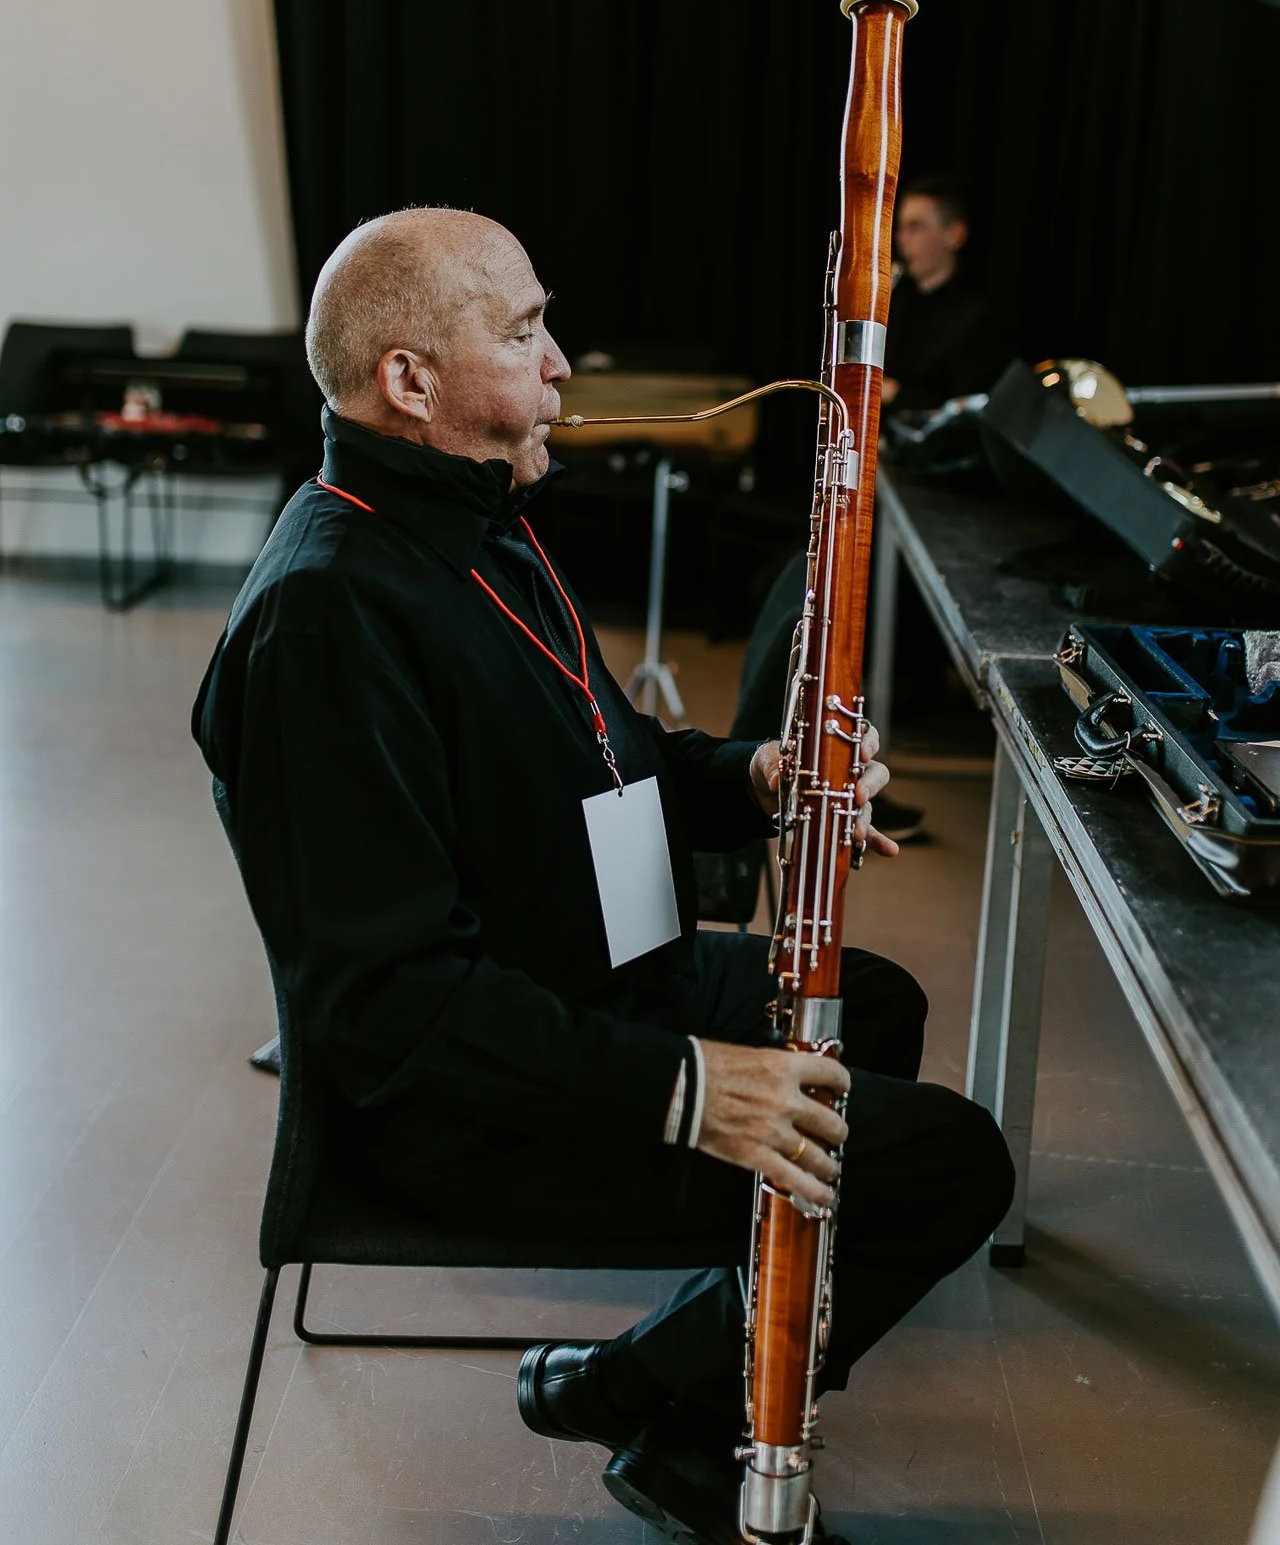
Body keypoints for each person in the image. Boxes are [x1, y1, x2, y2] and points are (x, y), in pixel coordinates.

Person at [193, 208, 1013, 1545]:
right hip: (477, 1105)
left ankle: (687, 1387)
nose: (561, 363)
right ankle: (648, 1389)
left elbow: (599, 757)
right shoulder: (326, 615)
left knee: (878, 1005)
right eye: (523, 332)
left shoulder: (474, 514)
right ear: (410, 381)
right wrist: (692, 1090)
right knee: (950, 1163)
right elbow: (386, 1008)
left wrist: (754, 774)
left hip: (597, 976)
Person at [882, 177, 1009, 413]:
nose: (901, 238)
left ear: (954, 235)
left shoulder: (976, 318)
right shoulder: (894, 301)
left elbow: (968, 408)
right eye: (901, 226)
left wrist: (894, 394)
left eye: (915, 227)